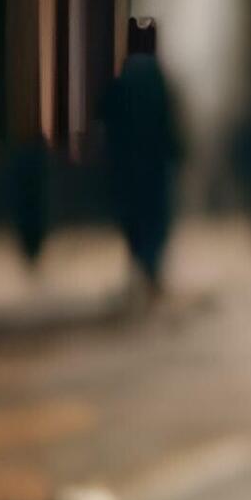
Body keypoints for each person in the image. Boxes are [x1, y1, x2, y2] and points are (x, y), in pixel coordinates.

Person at [104, 17, 184, 298]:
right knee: (153, 218)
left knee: (135, 217)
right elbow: (168, 122)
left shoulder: (124, 78)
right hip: (153, 164)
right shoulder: (156, 78)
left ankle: (142, 267)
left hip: (130, 165)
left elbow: (109, 119)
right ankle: (150, 270)